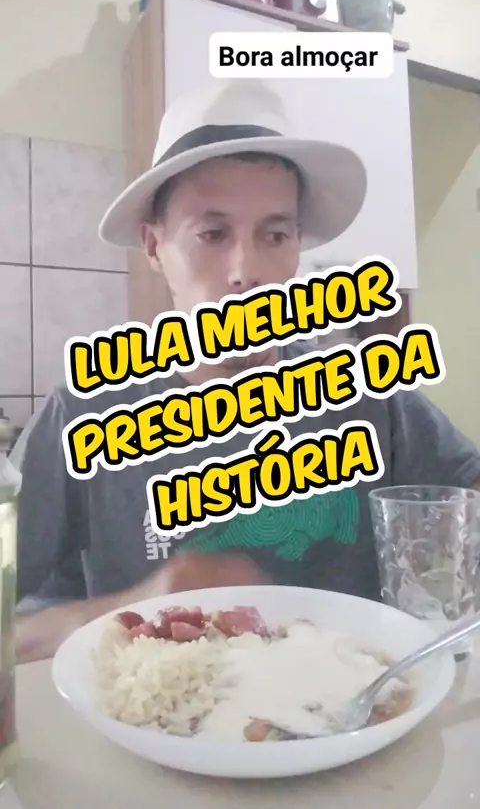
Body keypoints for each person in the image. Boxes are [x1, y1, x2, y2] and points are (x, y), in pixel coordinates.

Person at [14, 79, 480, 663]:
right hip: (162, 716)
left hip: (362, 709)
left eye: (274, 234)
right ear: (154, 247)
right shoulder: (83, 415)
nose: (246, 271)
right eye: (212, 234)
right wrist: (137, 606)